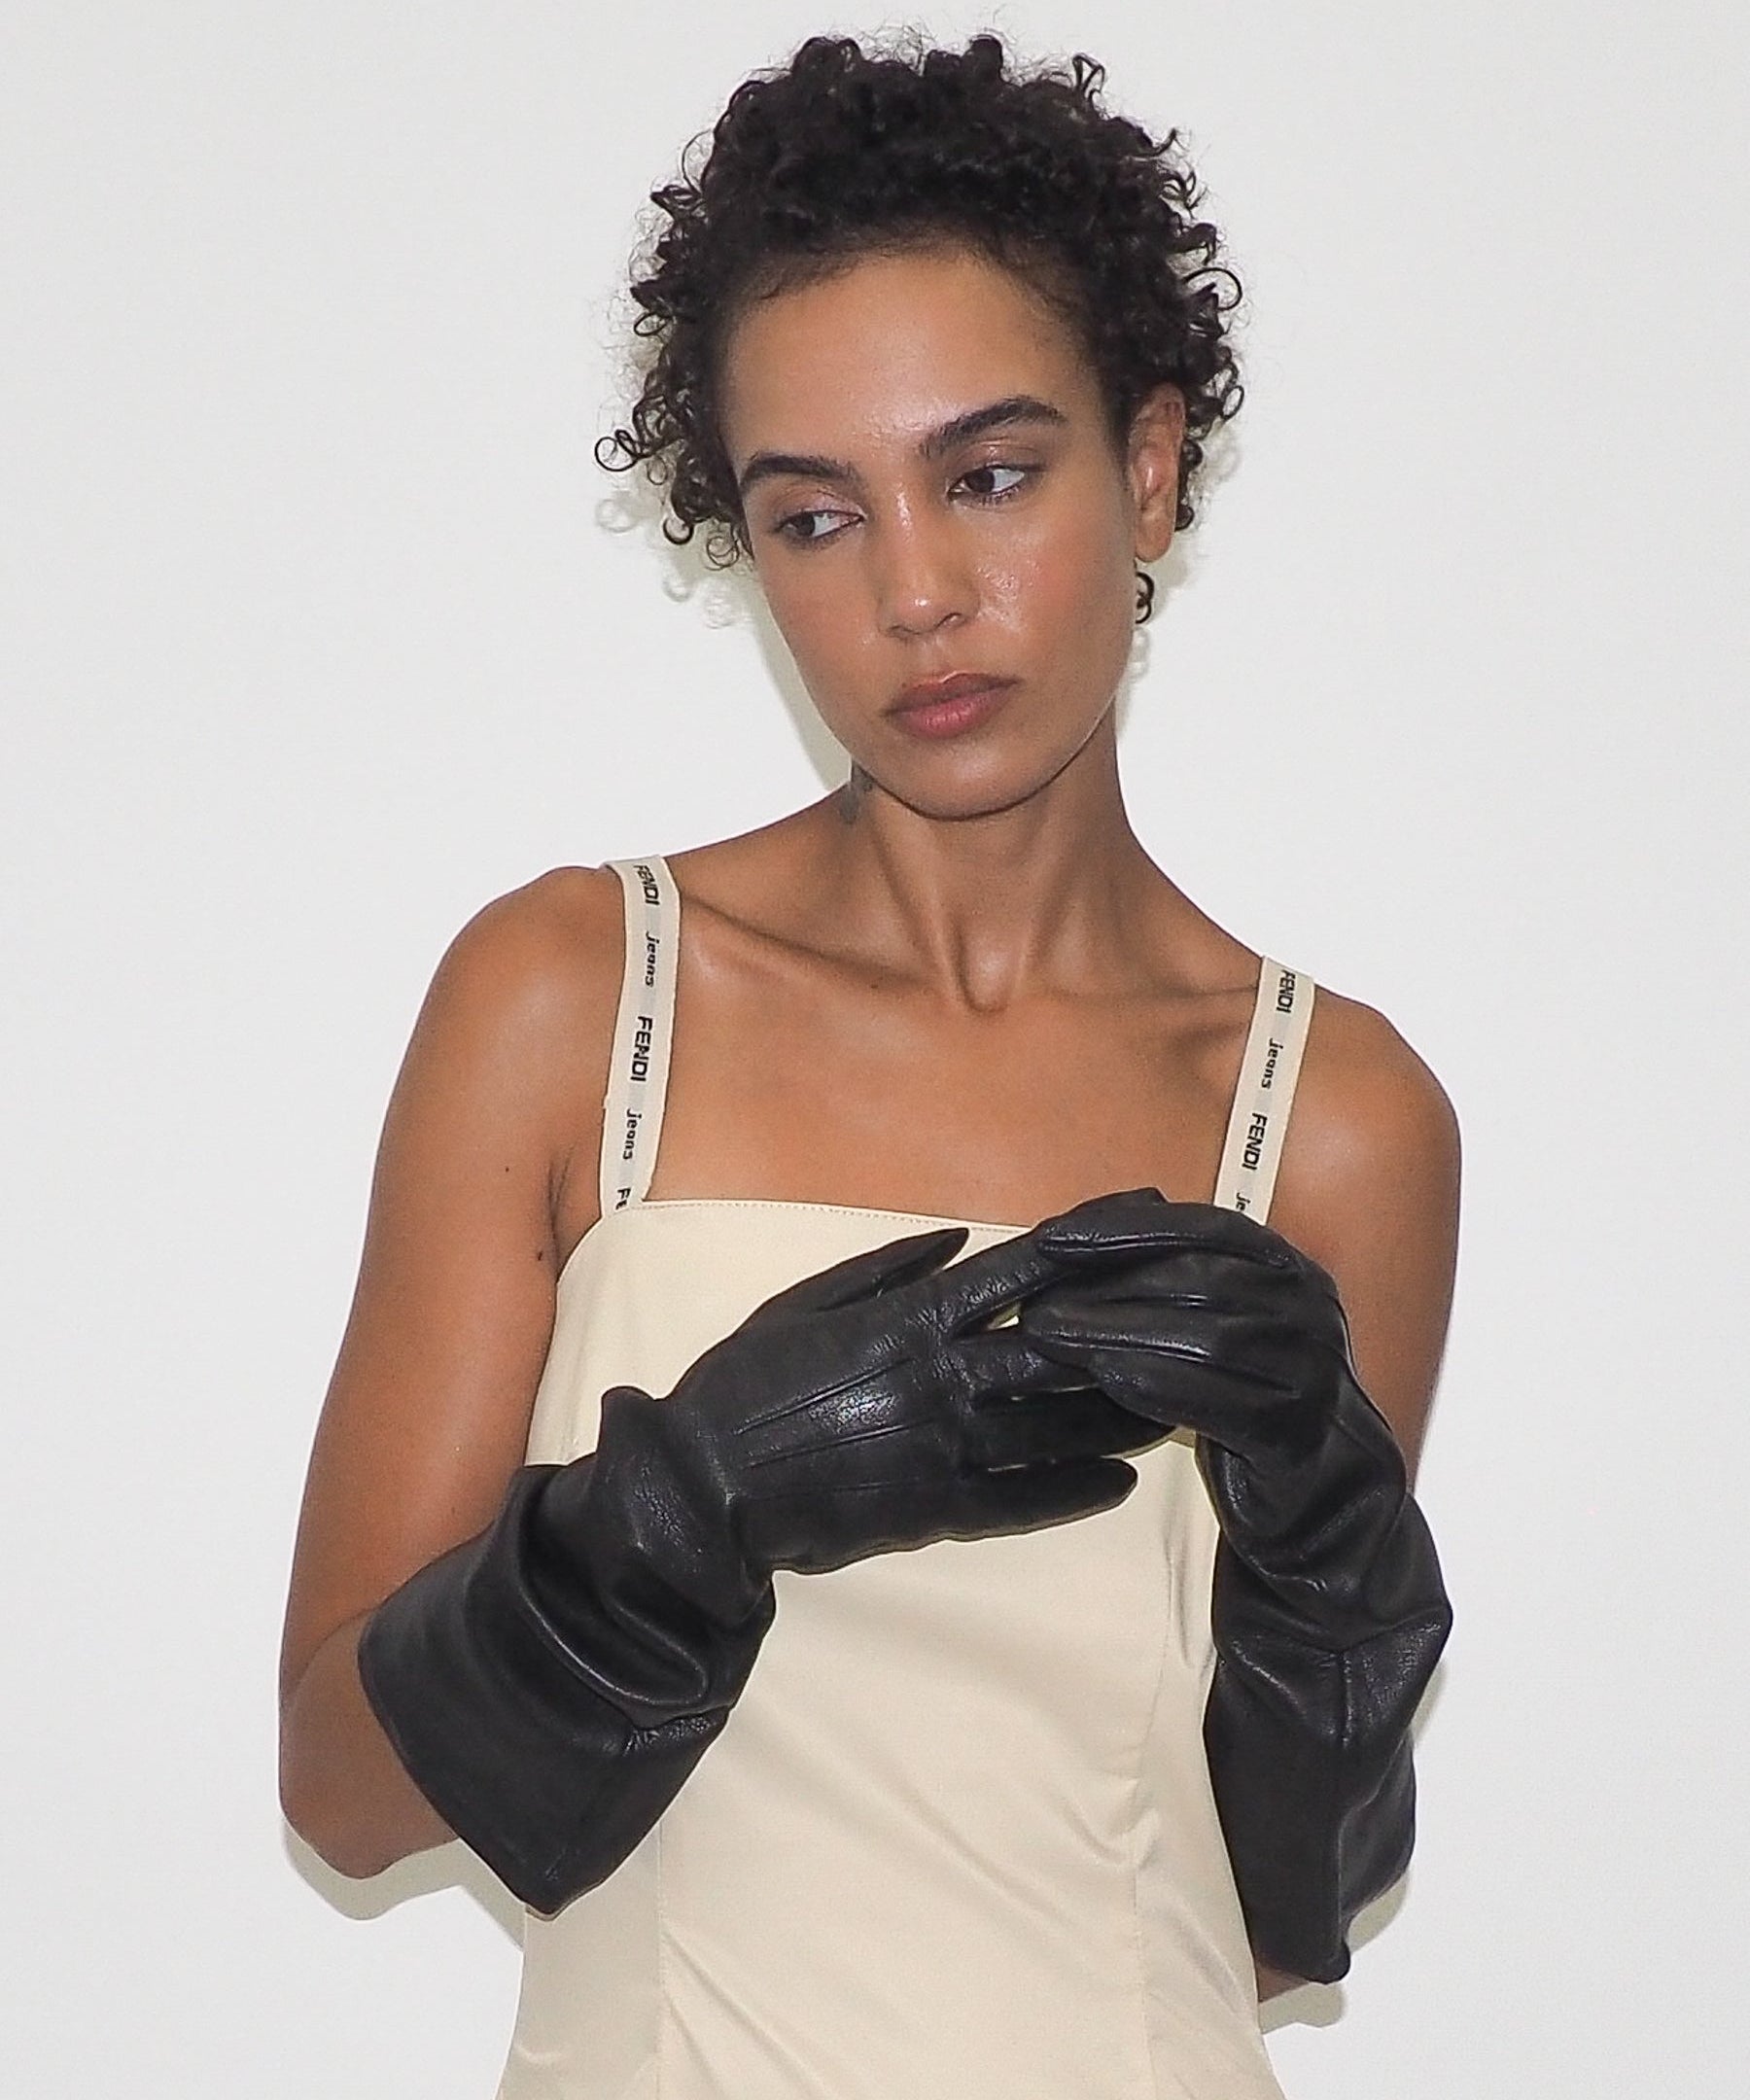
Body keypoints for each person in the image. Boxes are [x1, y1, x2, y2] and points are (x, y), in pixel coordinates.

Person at [278, 33, 1458, 2099]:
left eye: (990, 477)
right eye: (813, 517)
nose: (916, 594)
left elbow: (1276, 1911)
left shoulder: (1338, 1114)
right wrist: (700, 1499)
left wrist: (1336, 1570)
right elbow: (344, 1792)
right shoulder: (574, 999)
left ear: (1153, 467)